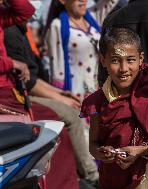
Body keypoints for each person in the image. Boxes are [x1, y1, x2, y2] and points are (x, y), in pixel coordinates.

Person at [4, 23, 99, 187]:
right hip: (18, 95)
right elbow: (29, 82)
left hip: (30, 90)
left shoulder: (19, 28)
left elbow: (32, 77)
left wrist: (59, 94)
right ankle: (92, 176)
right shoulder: (11, 31)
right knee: (72, 116)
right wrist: (60, 98)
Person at [0, 1, 80, 189]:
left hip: (12, 91)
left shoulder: (5, 18)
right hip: (6, 94)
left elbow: (25, 10)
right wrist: (12, 64)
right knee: (52, 128)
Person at [80, 27, 148, 189]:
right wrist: (101, 153)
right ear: (103, 60)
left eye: (130, 60)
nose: (123, 68)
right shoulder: (97, 101)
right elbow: (93, 144)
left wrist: (140, 151)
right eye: (115, 60)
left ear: (141, 59)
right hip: (114, 178)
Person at [45, 0, 101, 99]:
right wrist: (63, 96)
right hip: (76, 93)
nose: (83, 0)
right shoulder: (57, 25)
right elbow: (57, 68)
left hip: (97, 89)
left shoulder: (92, 20)